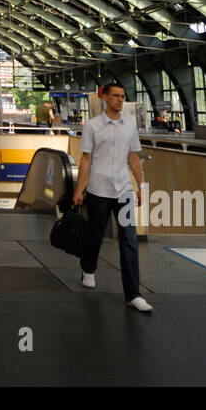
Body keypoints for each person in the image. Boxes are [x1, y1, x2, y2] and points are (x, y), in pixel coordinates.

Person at [74, 82, 152, 312]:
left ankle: (133, 294)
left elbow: (134, 157)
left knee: (129, 240)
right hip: (98, 189)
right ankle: (88, 270)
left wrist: (141, 186)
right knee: (95, 236)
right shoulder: (92, 126)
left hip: (123, 190)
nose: (120, 100)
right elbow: (86, 159)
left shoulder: (129, 126)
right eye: (116, 96)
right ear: (105, 97)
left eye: (123, 96)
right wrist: (79, 189)